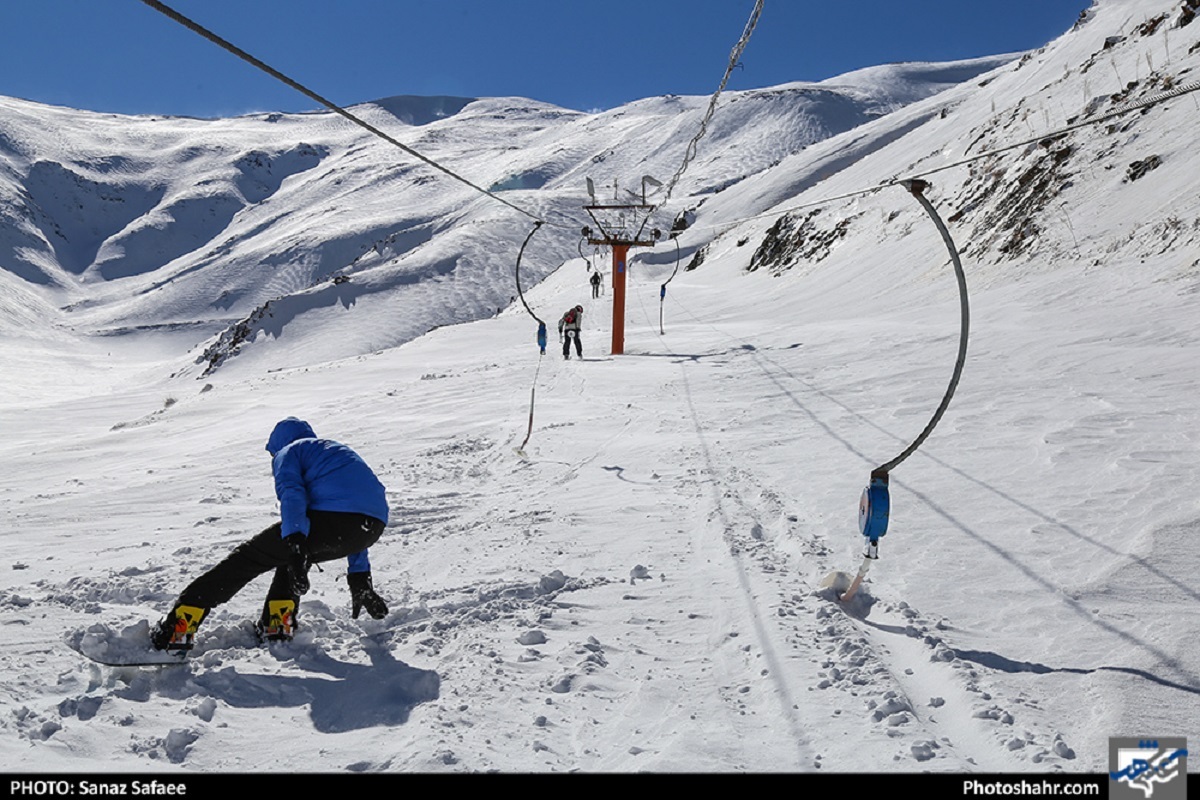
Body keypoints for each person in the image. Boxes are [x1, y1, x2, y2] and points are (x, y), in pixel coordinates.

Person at [151, 417, 391, 651]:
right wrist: (360, 577)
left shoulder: (290, 451)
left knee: (246, 560)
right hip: (372, 527)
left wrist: (296, 542)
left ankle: (176, 631)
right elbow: (356, 511)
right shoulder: (334, 452)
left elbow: (292, 493)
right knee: (290, 559)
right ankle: (276, 627)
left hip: (333, 521)